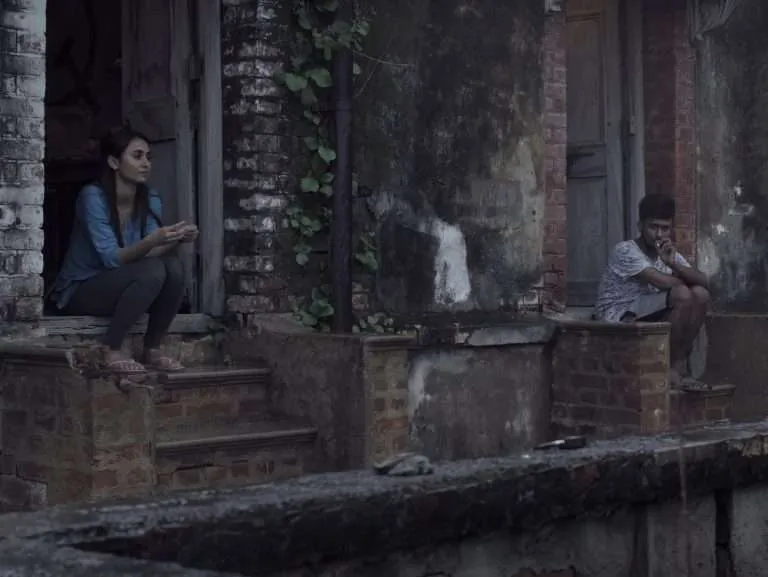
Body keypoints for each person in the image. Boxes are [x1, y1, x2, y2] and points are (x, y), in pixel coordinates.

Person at [49, 126, 199, 375]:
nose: (146, 164)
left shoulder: (150, 198)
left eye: (148, 157)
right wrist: (152, 241)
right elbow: (112, 258)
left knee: (173, 266)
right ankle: (111, 348)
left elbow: (149, 252)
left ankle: (152, 349)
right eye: (137, 156)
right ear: (114, 162)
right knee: (152, 271)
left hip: (125, 283)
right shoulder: (92, 197)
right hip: (82, 289)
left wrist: (177, 239)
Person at [593, 194, 710, 386]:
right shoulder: (625, 250)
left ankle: (677, 365)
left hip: (650, 311)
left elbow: (704, 282)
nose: (659, 235)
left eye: (665, 228)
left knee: (700, 295)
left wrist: (673, 264)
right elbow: (662, 282)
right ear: (640, 226)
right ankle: (668, 369)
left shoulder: (667, 252)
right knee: (682, 294)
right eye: (653, 227)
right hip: (619, 314)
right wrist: (682, 279)